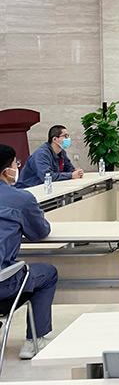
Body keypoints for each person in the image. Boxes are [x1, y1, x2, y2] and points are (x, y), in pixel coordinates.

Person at [0, 144, 58, 359]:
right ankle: (34, 340)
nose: (18, 167)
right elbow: (39, 232)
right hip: (3, 284)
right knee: (47, 273)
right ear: (7, 171)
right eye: (16, 164)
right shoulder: (21, 199)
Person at [16, 125, 83, 189]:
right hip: (29, 189)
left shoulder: (62, 152)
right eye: (65, 136)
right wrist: (71, 175)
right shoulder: (41, 154)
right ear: (55, 139)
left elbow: (69, 168)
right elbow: (47, 177)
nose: (68, 139)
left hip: (46, 188)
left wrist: (76, 172)